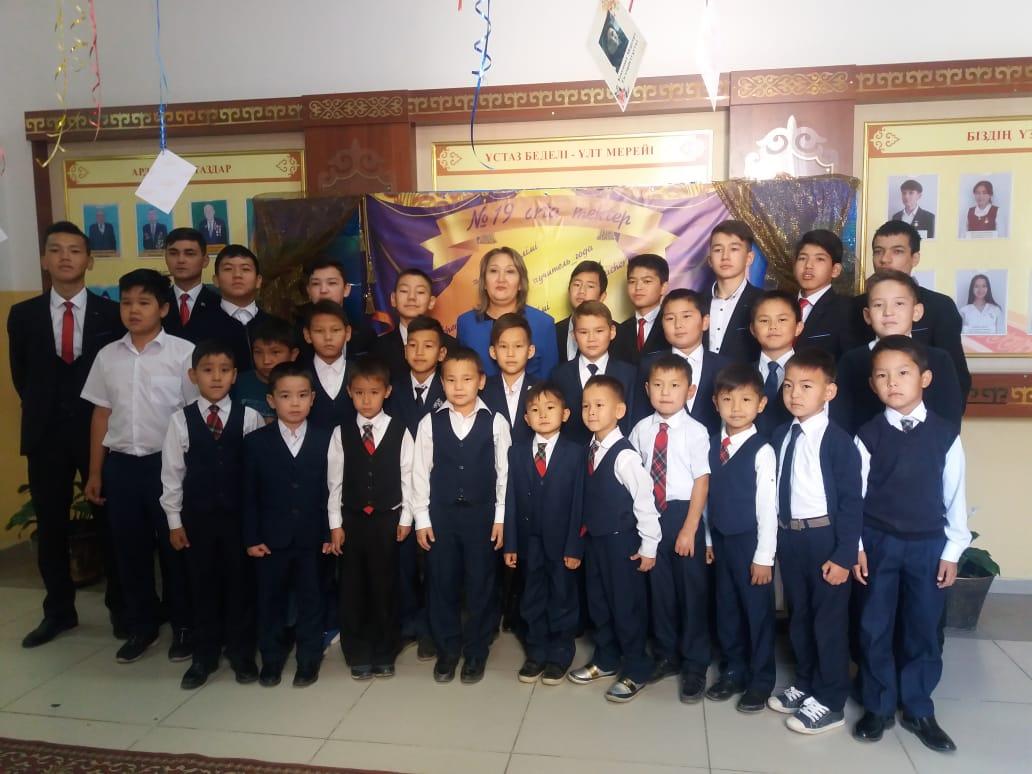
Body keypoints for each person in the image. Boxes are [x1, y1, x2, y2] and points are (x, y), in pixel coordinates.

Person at [8, 222, 126, 647]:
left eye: (74, 250)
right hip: (46, 435)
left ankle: (121, 608)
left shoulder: (111, 314)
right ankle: (58, 611)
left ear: (89, 260)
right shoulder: (23, 315)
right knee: (52, 525)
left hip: (99, 434)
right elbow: (22, 376)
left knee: (110, 524)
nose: (65, 257)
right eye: (55, 250)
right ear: (44, 259)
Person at [852, 336, 970, 753]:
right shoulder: (867, 435)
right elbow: (855, 497)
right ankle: (878, 704)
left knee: (922, 628)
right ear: (872, 384)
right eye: (882, 376)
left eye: (903, 373)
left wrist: (952, 551)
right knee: (874, 626)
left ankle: (919, 707)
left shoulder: (945, 434)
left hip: (928, 546)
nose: (893, 382)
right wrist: (857, 546)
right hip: (878, 543)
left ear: (925, 378)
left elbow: (955, 496)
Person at [81, 269, 198, 664]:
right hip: (122, 467)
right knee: (129, 551)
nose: (133, 310)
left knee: (174, 549)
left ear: (163, 309)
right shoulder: (107, 356)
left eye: (143, 302)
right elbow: (101, 414)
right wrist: (95, 472)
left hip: (168, 467)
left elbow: (194, 413)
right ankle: (141, 626)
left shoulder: (183, 353)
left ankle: (184, 627)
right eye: (127, 302)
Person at [767, 348, 862, 735]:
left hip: (825, 540)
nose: (795, 394)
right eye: (789, 385)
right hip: (790, 537)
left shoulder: (838, 442)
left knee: (829, 623)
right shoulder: (781, 434)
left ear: (829, 392)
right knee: (800, 616)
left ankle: (831, 699)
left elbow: (852, 502)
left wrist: (843, 556)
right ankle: (806, 683)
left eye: (807, 386)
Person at [160, 340, 264, 689]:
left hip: (238, 521)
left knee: (240, 585)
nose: (216, 377)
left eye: (224, 370)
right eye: (207, 370)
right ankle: (203, 655)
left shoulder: (249, 418)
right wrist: (174, 522)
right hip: (198, 520)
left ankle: (241, 652)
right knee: (202, 585)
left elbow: (256, 476)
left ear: (235, 376)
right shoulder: (180, 421)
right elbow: (172, 476)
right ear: (193, 376)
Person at [411, 347, 512, 684]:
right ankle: (448, 649)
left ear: (481, 381)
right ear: (442, 383)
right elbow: (419, 473)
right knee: (442, 583)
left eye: (466, 379)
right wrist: (422, 518)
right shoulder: (431, 422)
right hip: (442, 517)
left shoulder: (495, 422)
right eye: (451, 380)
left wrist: (500, 517)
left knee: (481, 584)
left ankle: (476, 651)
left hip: (482, 517)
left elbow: (504, 473)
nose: (458, 386)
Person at [567, 375, 661, 703]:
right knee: (599, 602)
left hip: (622, 544)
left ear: (619, 410)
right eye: (586, 406)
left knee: (626, 606)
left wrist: (649, 546)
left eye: (599, 405)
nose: (591, 412)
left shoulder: (625, 456)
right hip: (596, 541)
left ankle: (636, 667)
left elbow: (645, 501)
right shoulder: (588, 450)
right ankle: (606, 658)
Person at [242, 361, 334, 688]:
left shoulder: (326, 439)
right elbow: (249, 494)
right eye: (285, 396)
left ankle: (308, 659)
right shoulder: (255, 442)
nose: (294, 403)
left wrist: (330, 532)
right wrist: (251, 537)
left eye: (302, 395)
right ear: (271, 400)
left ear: (312, 398)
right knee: (270, 601)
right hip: (271, 539)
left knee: (312, 600)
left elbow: (332, 491)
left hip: (313, 538)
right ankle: (271, 658)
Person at [629, 354, 712, 702]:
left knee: (691, 592)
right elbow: (634, 475)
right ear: (647, 389)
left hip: (682, 513)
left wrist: (690, 529)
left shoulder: (696, 431)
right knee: (659, 590)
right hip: (651, 515)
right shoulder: (640, 429)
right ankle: (666, 654)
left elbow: (702, 482)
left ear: (690, 390)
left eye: (675, 385)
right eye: (658, 385)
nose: (665, 392)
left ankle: (695, 663)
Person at [327, 356, 415, 680]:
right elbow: (334, 482)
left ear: (387, 392)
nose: (367, 400)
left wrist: (406, 518)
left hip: (386, 520)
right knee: (353, 586)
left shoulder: (400, 430)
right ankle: (357, 649)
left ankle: (385, 649)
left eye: (374, 392)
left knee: (385, 584)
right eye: (360, 393)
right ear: (349, 392)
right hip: (352, 521)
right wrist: (335, 524)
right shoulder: (341, 433)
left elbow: (409, 476)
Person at [706, 363, 777, 713]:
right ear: (715, 402)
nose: (736, 407)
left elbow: (767, 508)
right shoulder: (711, 445)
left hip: (751, 543)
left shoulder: (762, 450)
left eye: (746, 399)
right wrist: (708, 539)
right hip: (721, 541)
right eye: (728, 399)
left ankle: (761, 679)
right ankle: (732, 670)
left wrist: (764, 557)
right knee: (727, 608)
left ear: (760, 404)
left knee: (757, 613)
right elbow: (705, 499)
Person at [503, 382, 584, 685]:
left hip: (562, 541)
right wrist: (511, 543)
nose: (543, 415)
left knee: (562, 596)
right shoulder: (516, 453)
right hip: (529, 540)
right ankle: (535, 651)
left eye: (550, 408)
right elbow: (510, 499)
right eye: (535, 410)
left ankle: (560, 652)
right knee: (531, 596)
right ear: (526, 419)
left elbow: (579, 504)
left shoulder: (576, 453)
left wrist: (575, 546)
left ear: (565, 414)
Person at [851, 221, 970, 400]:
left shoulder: (940, 306)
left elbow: (956, 379)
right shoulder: (855, 307)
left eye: (897, 251)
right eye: (878, 251)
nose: (885, 259)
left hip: (924, 410)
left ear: (915, 258)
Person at [834, 271, 963, 435]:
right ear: (867, 315)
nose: (888, 312)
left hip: (929, 448)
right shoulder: (851, 361)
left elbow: (950, 418)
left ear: (916, 312)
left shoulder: (939, 360)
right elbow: (841, 423)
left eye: (899, 303)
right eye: (878, 305)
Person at [389, 315, 447, 662]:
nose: (420, 352)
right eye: (413, 345)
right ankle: (407, 624)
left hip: (438, 493)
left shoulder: (452, 387)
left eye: (428, 345)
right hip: (398, 492)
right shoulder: (392, 389)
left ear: (441, 353)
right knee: (403, 563)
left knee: (436, 565)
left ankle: (431, 628)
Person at [635, 289, 729, 435]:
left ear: (705, 322)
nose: (678, 324)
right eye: (670, 318)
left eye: (686, 316)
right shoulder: (648, 365)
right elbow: (639, 414)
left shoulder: (725, 367)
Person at [456, 246, 559, 379]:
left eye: (510, 271)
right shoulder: (466, 323)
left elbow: (550, 381)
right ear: (484, 282)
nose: (501, 279)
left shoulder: (543, 324)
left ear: (521, 283)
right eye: (494, 271)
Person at [551, 301, 637, 444]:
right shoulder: (559, 375)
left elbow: (632, 422)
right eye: (583, 332)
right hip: (571, 454)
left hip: (615, 453)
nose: (591, 339)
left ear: (612, 332)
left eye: (599, 331)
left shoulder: (629, 374)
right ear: (573, 335)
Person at [370, 268, 457, 381]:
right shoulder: (378, 347)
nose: (411, 297)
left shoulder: (450, 346)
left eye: (420, 292)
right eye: (404, 291)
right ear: (393, 299)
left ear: (431, 302)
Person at [213, 244, 287, 371]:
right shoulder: (200, 325)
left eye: (245, 269)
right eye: (228, 269)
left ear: (258, 281)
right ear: (216, 280)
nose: (237, 275)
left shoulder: (277, 326)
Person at [162, 228, 236, 345]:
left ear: (205, 260)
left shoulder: (223, 305)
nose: (181, 260)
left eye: (189, 254)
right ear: (166, 258)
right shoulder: (158, 303)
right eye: (173, 253)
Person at [704, 220, 762, 363]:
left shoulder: (763, 302)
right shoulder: (695, 303)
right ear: (710, 260)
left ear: (749, 258)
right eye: (718, 250)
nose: (725, 256)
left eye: (734, 249)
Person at [794, 229, 857, 360]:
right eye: (802, 258)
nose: (808, 265)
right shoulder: (783, 304)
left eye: (819, 259)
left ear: (835, 270)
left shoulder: (847, 310)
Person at [295, 257, 374, 359]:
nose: (323, 290)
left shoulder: (364, 335)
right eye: (316, 284)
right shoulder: (295, 335)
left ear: (346, 289)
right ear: (308, 291)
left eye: (332, 283)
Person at [482, 314, 540, 446]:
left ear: (530, 351)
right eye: (503, 346)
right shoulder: (482, 390)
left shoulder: (542, 389)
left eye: (518, 346)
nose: (510, 354)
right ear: (493, 352)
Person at [750, 290, 802, 438]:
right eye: (764, 320)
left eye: (782, 320)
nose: (773, 326)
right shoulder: (741, 374)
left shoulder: (812, 375)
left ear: (798, 327)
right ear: (753, 329)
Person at [233, 317, 299, 422]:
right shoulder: (237, 383)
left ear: (293, 354)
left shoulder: (302, 384)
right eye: (258, 352)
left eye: (275, 352)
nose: (266, 360)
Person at [303, 300, 355, 430]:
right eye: (319, 331)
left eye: (335, 330)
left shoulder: (361, 373)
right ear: (307, 335)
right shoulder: (298, 374)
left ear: (347, 333)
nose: (328, 337)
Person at [611, 253, 669, 364]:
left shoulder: (672, 325)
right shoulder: (619, 331)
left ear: (663, 287)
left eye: (647, 281)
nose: (638, 287)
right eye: (632, 282)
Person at [555, 260, 608, 365]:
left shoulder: (616, 333)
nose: (581, 291)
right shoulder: (554, 331)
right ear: (568, 290)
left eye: (590, 286)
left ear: (602, 296)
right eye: (577, 284)